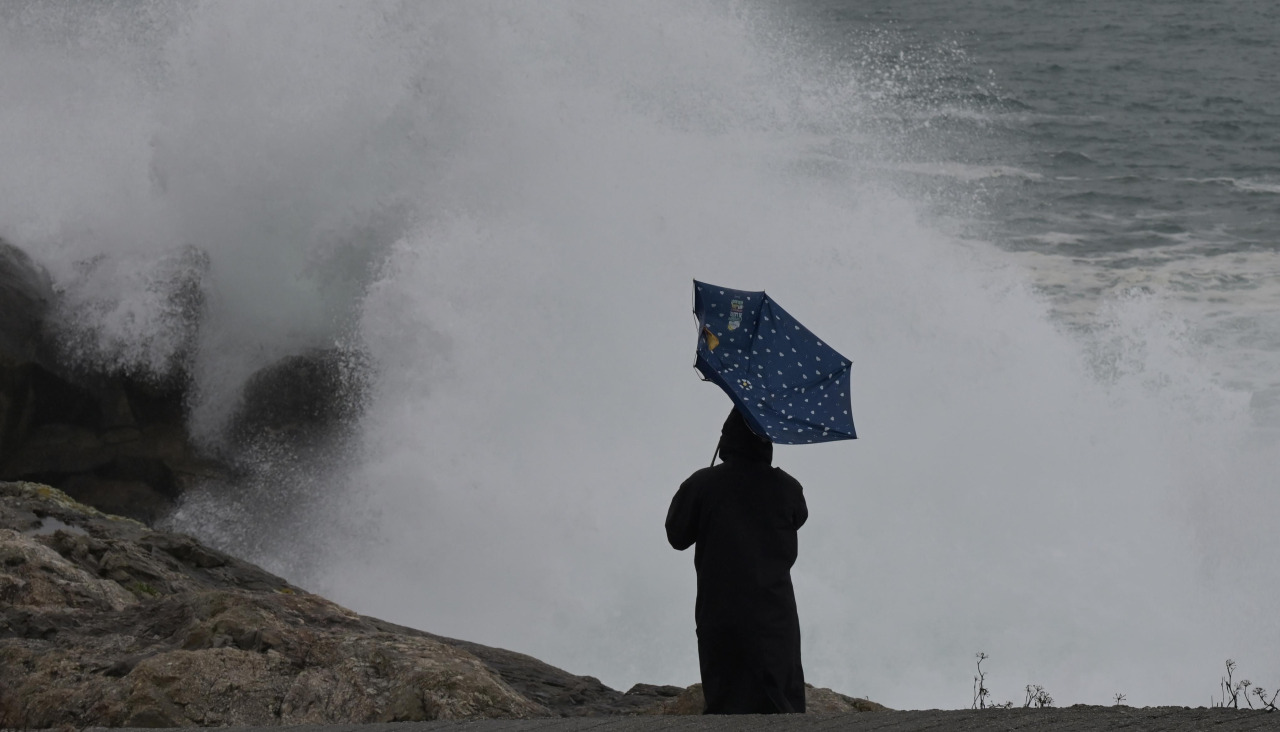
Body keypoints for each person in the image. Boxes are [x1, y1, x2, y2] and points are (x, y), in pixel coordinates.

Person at [665, 408, 808, 714]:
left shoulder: (703, 483)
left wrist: (696, 491)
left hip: (721, 609)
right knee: (780, 701)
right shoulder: (788, 487)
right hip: (775, 611)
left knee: (726, 697)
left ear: (726, 440)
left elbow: (677, 536)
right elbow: (799, 518)